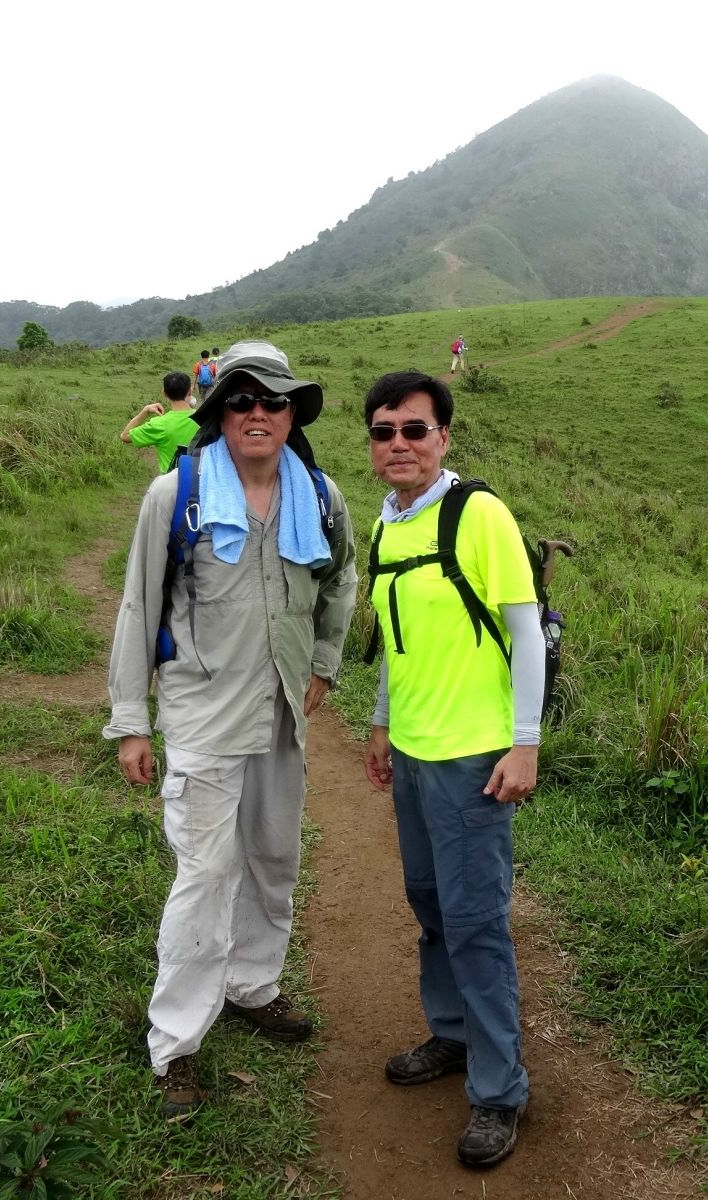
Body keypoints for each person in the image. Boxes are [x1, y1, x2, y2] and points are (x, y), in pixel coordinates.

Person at [104, 340, 357, 1117]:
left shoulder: (319, 495)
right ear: (219, 412)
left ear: (292, 414)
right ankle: (176, 1043)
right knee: (206, 875)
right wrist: (131, 720)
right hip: (203, 718)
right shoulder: (175, 496)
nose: (257, 413)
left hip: (280, 712)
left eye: (273, 401)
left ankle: (253, 986)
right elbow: (139, 606)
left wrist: (324, 663)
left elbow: (342, 577)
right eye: (241, 400)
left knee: (274, 859)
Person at [360, 370, 540, 1168]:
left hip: (472, 757)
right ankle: (453, 1034)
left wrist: (524, 743)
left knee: (475, 923)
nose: (398, 443)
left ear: (443, 437)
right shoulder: (386, 524)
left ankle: (499, 1091)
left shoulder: (479, 513)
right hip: (411, 749)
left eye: (414, 429)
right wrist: (381, 723)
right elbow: (397, 641)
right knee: (429, 903)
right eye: (383, 431)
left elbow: (526, 633)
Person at [120, 370, 200, 472]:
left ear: (164, 393)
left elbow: (124, 436)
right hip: (200, 479)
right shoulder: (205, 418)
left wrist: (145, 411)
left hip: (170, 480)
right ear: (190, 391)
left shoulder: (159, 424)